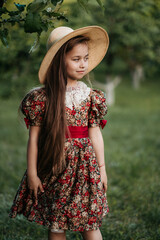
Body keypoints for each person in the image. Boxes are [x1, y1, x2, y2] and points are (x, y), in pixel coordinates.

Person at [9, 26, 110, 240]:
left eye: (85, 58)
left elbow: (95, 134)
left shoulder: (92, 97)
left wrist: (101, 168)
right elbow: (34, 139)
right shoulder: (42, 98)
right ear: (59, 61)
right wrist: (33, 174)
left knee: (89, 221)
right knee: (57, 222)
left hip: (85, 169)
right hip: (55, 166)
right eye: (76, 59)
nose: (83, 64)